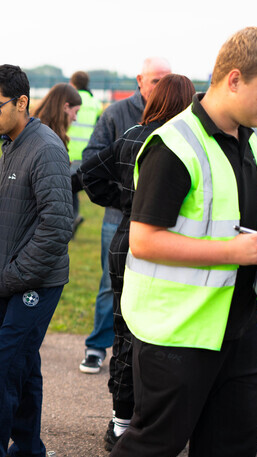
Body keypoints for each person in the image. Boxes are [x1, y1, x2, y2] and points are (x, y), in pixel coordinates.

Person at [60, 27, 257, 457]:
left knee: (234, 437)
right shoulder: (174, 144)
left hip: (236, 321)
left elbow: (238, 222)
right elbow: (143, 239)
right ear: (234, 78)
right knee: (160, 436)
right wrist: (234, 253)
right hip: (177, 325)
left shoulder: (255, 140)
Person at [0, 64, 73, 457]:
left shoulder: (45, 148)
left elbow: (58, 224)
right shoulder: (12, 144)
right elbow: (11, 219)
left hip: (34, 283)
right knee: (23, 366)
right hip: (8, 281)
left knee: (6, 367)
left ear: (22, 102)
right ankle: (29, 454)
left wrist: (16, 274)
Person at [75, 74, 195, 451]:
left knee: (124, 331)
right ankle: (158, 417)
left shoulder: (131, 136)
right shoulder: (184, 142)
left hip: (125, 240)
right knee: (165, 331)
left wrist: (122, 202)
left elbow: (89, 173)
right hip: (170, 244)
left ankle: (121, 421)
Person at [79, 57, 171, 376]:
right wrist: (121, 197)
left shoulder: (177, 118)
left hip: (159, 221)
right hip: (118, 217)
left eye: (167, 80)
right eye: (156, 80)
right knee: (111, 283)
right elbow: (91, 160)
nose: (162, 86)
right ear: (140, 80)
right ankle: (96, 347)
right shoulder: (116, 114)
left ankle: (141, 352)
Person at [66, 70, 102, 228]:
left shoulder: (69, 99)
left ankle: (71, 219)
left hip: (69, 150)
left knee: (66, 188)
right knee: (72, 188)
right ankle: (74, 217)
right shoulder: (95, 103)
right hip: (87, 153)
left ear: (72, 83)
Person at [32, 83, 82, 149]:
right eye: (76, 112)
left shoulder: (35, 127)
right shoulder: (50, 139)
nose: (75, 118)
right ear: (66, 107)